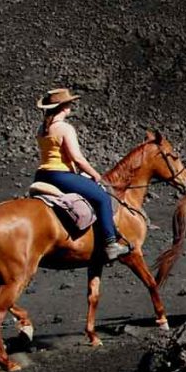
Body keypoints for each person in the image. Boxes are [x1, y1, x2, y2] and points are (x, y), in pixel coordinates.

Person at [34, 88, 129, 261]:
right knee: (102, 197)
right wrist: (96, 176)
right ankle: (110, 243)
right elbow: (77, 159)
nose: (71, 105)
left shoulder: (43, 128)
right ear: (64, 107)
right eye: (69, 103)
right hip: (60, 175)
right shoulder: (64, 128)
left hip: (42, 175)